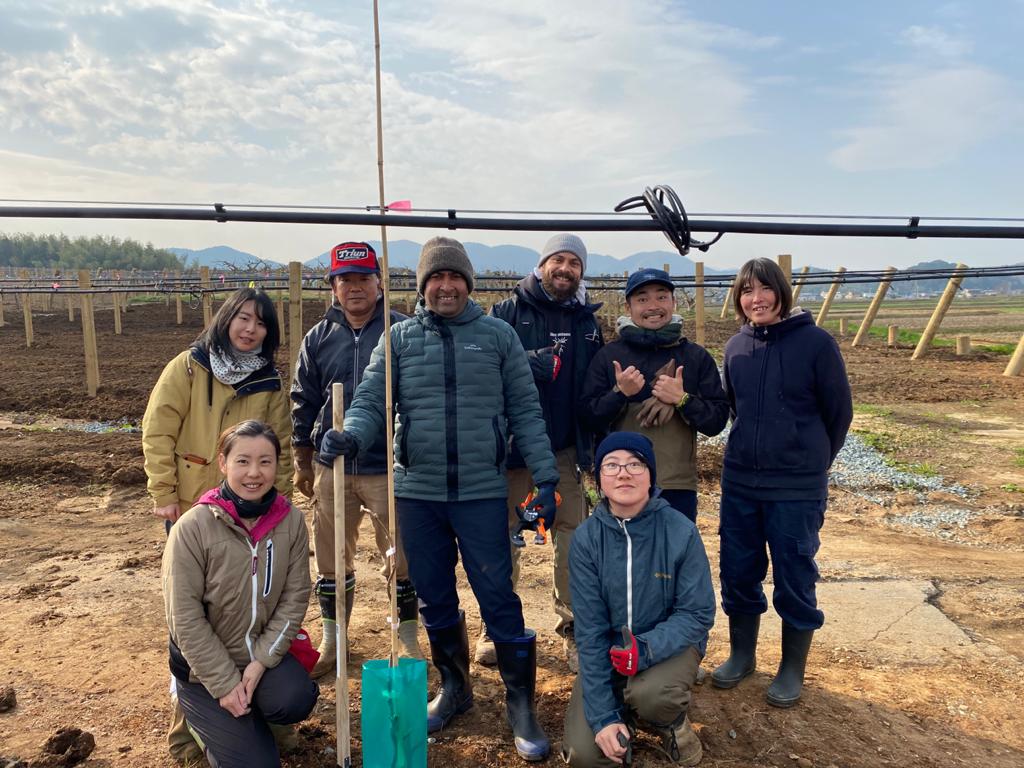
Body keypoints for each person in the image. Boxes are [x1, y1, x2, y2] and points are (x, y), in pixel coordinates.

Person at [318, 236, 558, 762]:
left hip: (480, 491)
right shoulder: (398, 339)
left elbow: (526, 411)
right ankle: (455, 688)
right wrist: (351, 435)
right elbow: (369, 401)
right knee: (433, 595)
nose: (444, 287)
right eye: (435, 279)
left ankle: (521, 704)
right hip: (418, 493)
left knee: (498, 594)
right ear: (423, 287)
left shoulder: (497, 337)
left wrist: (546, 479)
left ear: (467, 284)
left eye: (453, 278)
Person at [142, 286, 293, 762]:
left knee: (253, 606)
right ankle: (188, 730)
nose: (251, 329)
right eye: (243, 318)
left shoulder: (268, 382)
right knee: (192, 615)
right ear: (226, 319)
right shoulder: (189, 367)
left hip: (251, 514)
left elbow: (280, 447)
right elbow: (158, 429)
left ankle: (266, 717)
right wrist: (164, 493)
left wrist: (280, 504)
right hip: (192, 507)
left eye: (261, 322)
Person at [711, 257, 852, 708]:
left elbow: (838, 413)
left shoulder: (816, 343)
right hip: (741, 485)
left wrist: (811, 459)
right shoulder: (736, 347)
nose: (756, 299)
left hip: (796, 485)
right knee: (738, 570)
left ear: (781, 293)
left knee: (794, 574)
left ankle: (791, 667)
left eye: (764, 289)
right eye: (747, 291)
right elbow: (736, 409)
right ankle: (742, 654)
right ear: (739, 299)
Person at [291, 241, 421, 677]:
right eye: (345, 280)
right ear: (333, 287)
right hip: (334, 468)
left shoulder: (403, 332)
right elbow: (303, 400)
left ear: (379, 283)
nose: (355, 287)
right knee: (330, 554)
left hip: (389, 466)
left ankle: (405, 638)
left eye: (364, 278)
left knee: (400, 555)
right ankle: (334, 637)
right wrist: (302, 458)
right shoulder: (318, 339)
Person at [162, 420, 318, 768]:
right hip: (203, 672)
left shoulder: (290, 522)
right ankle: (200, 722)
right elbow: (184, 619)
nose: (254, 473)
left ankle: (250, 722)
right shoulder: (192, 528)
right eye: (242, 461)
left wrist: (261, 661)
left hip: (257, 657)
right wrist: (223, 683)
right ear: (223, 463)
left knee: (295, 698)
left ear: (277, 465)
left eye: (265, 461)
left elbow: (294, 599)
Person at [485, 233, 604, 672]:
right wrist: (527, 361)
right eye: (558, 259)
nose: (565, 268)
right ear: (542, 265)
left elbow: (594, 385)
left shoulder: (587, 322)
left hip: (564, 449)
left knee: (573, 537)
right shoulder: (507, 313)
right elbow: (485, 370)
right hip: (514, 449)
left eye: (574, 262)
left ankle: (572, 628)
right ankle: (496, 626)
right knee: (504, 536)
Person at [563, 432, 715, 767]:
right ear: (599, 480)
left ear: (651, 476)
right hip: (611, 654)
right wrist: (603, 718)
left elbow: (697, 612)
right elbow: (590, 632)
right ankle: (619, 715)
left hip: (666, 651)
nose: (623, 473)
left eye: (635, 464)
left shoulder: (680, 531)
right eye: (611, 465)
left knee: (654, 696)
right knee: (585, 756)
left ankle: (669, 723)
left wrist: (645, 649)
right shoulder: (587, 539)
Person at [579, 268, 729, 522]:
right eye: (642, 299)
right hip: (621, 482)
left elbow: (716, 422)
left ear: (674, 302)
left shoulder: (694, 357)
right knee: (623, 557)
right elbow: (587, 416)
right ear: (628, 307)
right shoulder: (609, 356)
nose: (653, 306)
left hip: (676, 485)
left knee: (673, 557)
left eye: (661, 297)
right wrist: (620, 394)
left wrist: (682, 400)